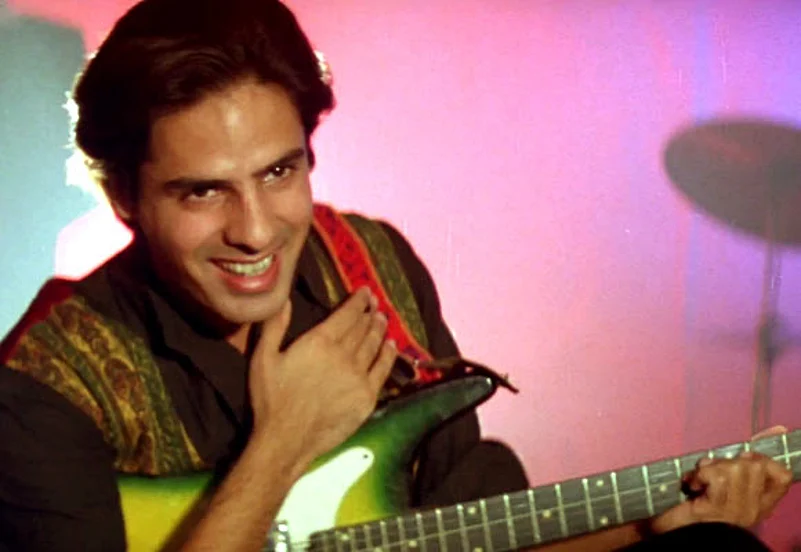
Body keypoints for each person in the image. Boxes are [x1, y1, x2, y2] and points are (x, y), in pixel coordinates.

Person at [0, 0, 792, 550]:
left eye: (279, 172)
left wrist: (654, 525)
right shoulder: (47, 384)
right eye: (202, 192)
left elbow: (473, 530)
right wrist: (283, 441)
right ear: (123, 197)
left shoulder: (368, 263)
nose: (255, 230)